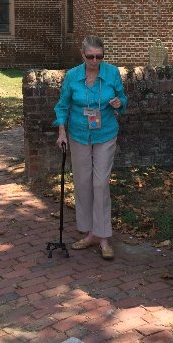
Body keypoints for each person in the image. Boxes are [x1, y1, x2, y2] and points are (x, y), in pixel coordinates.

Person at [54, 35, 127, 260]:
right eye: (90, 56)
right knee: (83, 183)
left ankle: (104, 237)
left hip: (105, 133)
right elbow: (62, 105)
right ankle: (89, 233)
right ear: (82, 54)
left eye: (99, 56)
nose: (95, 61)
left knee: (100, 183)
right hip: (78, 133)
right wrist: (62, 131)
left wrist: (119, 103)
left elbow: (123, 99)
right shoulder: (73, 76)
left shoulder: (112, 73)